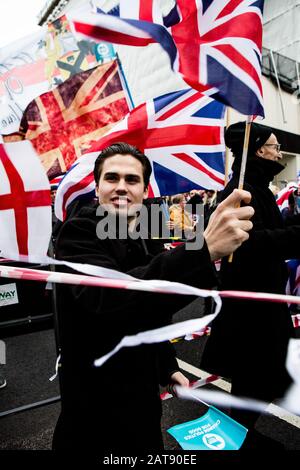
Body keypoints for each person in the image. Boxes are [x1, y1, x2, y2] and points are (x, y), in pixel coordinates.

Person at [52, 142, 254, 453]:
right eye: (112, 178)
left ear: (145, 190)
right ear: (97, 187)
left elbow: (148, 314)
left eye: (131, 180)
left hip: (141, 399)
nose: (121, 187)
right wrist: (204, 249)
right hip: (95, 405)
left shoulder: (141, 232)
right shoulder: (78, 231)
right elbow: (116, 299)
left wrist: (167, 366)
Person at [200, 122, 300, 448]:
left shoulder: (261, 189)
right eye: (273, 146)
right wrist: (294, 238)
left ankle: (236, 436)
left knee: (259, 382)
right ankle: (232, 440)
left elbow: (275, 227)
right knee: (253, 382)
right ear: (258, 150)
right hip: (251, 312)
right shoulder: (241, 190)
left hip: (265, 306)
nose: (278, 152)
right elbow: (247, 244)